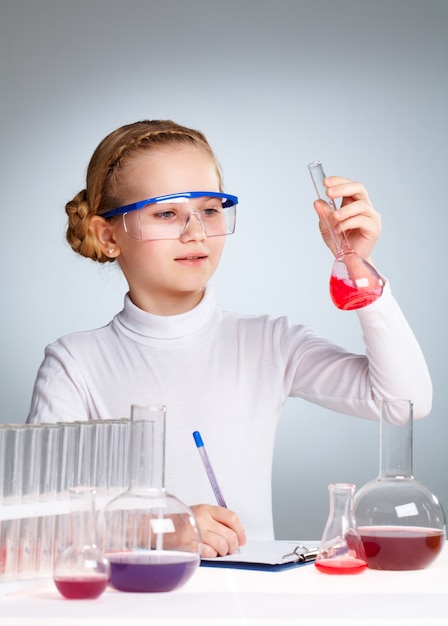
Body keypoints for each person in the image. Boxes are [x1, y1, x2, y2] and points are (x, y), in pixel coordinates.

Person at [27, 119, 432, 557]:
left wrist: (356, 267)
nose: (196, 232)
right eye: (166, 213)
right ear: (109, 236)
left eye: (211, 209)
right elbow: (37, 520)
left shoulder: (269, 343)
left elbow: (404, 402)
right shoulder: (76, 362)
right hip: (131, 608)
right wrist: (159, 528)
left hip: (247, 605)